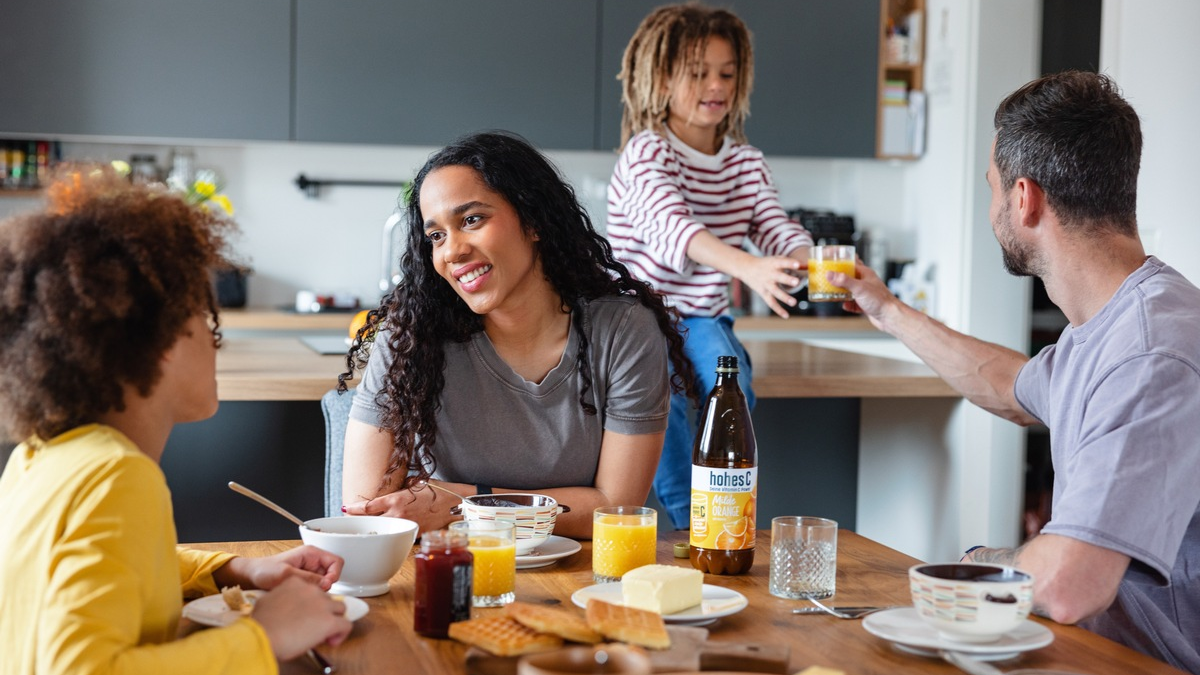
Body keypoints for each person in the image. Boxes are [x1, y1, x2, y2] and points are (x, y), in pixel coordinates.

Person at [835, 71, 1200, 673]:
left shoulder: (1148, 354)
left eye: (992, 188)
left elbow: (1064, 585)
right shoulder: (1114, 324)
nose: (993, 207)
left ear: (1024, 198)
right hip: (1094, 646)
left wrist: (986, 561)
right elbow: (1011, 386)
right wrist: (889, 312)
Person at [0, 166, 353, 674]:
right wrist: (266, 635)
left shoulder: (41, 456)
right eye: (205, 321)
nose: (215, 342)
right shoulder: (119, 478)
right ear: (159, 339)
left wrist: (237, 570)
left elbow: (115, 566)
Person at [339, 131, 698, 537]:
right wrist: (556, 508)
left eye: (471, 220)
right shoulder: (411, 338)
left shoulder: (622, 332)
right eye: (436, 235)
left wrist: (460, 504)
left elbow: (615, 510)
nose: (452, 251)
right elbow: (370, 510)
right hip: (448, 569)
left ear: (534, 221)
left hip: (579, 581)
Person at [606, 4, 814, 529]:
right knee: (665, 395)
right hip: (638, 318)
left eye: (726, 72)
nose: (715, 85)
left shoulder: (744, 162)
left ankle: (726, 513)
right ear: (662, 78)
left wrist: (811, 260)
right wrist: (750, 268)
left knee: (733, 386)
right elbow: (675, 228)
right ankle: (690, 526)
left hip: (702, 319)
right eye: (698, 73)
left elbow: (774, 226)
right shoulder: (646, 153)